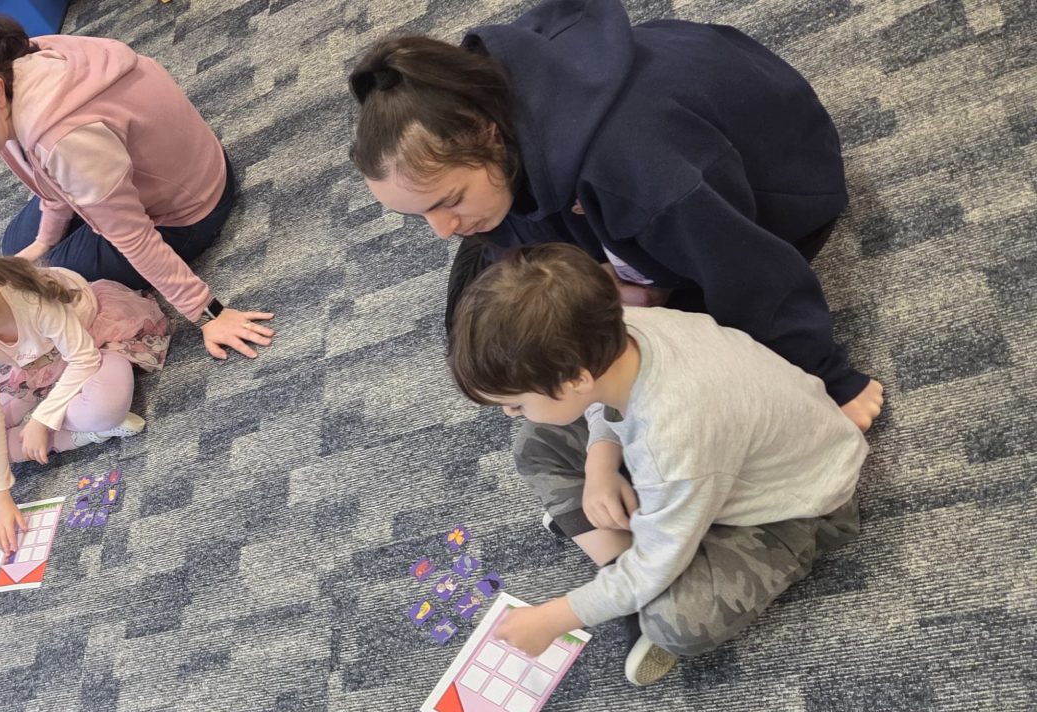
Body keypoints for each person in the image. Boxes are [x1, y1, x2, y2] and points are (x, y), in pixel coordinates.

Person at [348, 0, 885, 430]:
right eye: (421, 215)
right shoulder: (484, 113)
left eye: (447, 201)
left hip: (777, 183)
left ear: (489, 135)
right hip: (652, 161)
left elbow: (752, 273)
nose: (443, 231)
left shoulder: (641, 173)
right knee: (500, 321)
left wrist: (828, 380)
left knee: (667, 362)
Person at [447, 244, 866, 685]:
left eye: (516, 404)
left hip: (799, 508)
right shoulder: (617, 330)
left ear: (575, 379)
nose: (510, 414)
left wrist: (554, 617)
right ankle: (627, 567)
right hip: (713, 463)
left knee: (675, 623)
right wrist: (600, 462)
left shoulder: (672, 437)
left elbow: (665, 499)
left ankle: (633, 576)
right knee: (536, 442)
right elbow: (602, 400)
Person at [0, 16, 275, 360]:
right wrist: (42, 242)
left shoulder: (63, 139)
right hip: (134, 170)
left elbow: (134, 236)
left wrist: (208, 314)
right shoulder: (5, 64)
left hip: (188, 210)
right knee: (17, 249)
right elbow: (48, 179)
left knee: (47, 280)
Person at [0, 256, 167, 553]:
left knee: (105, 408)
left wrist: (41, 420)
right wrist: (1, 499)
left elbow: (84, 359)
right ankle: (85, 435)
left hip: (94, 342)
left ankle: (82, 425)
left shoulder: (32, 302)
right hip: (40, 367)